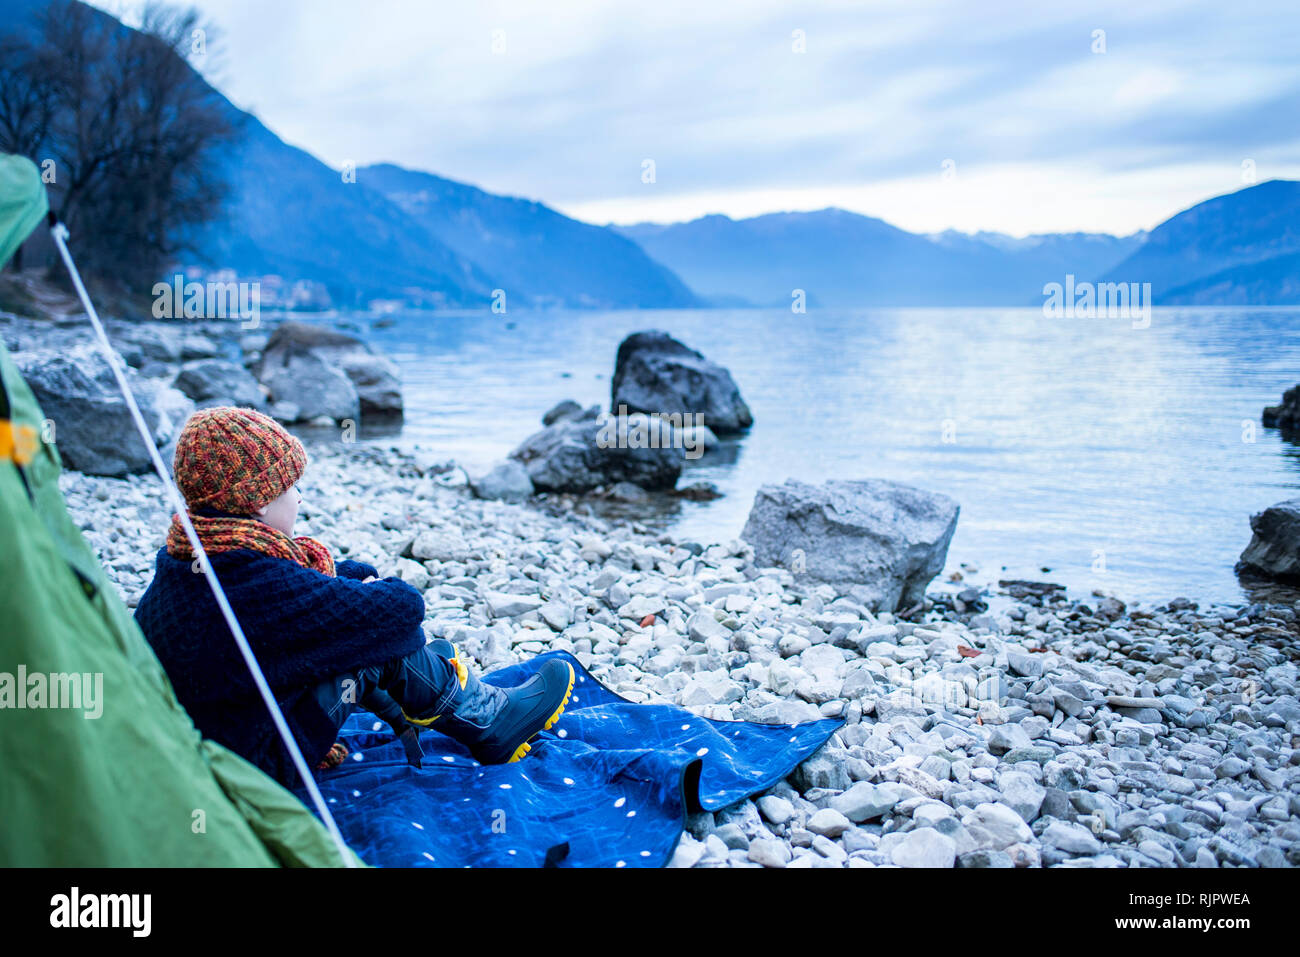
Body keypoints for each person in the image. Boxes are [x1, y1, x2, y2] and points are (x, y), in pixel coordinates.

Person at [133, 406, 573, 790]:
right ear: (261, 502)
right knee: (374, 640)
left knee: (355, 615)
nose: (300, 498)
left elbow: (290, 602)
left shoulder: (189, 560)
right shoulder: (252, 580)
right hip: (255, 766)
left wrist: (353, 585)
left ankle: (430, 702)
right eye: (292, 487)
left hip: (209, 745)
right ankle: (486, 720)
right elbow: (403, 610)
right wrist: (364, 598)